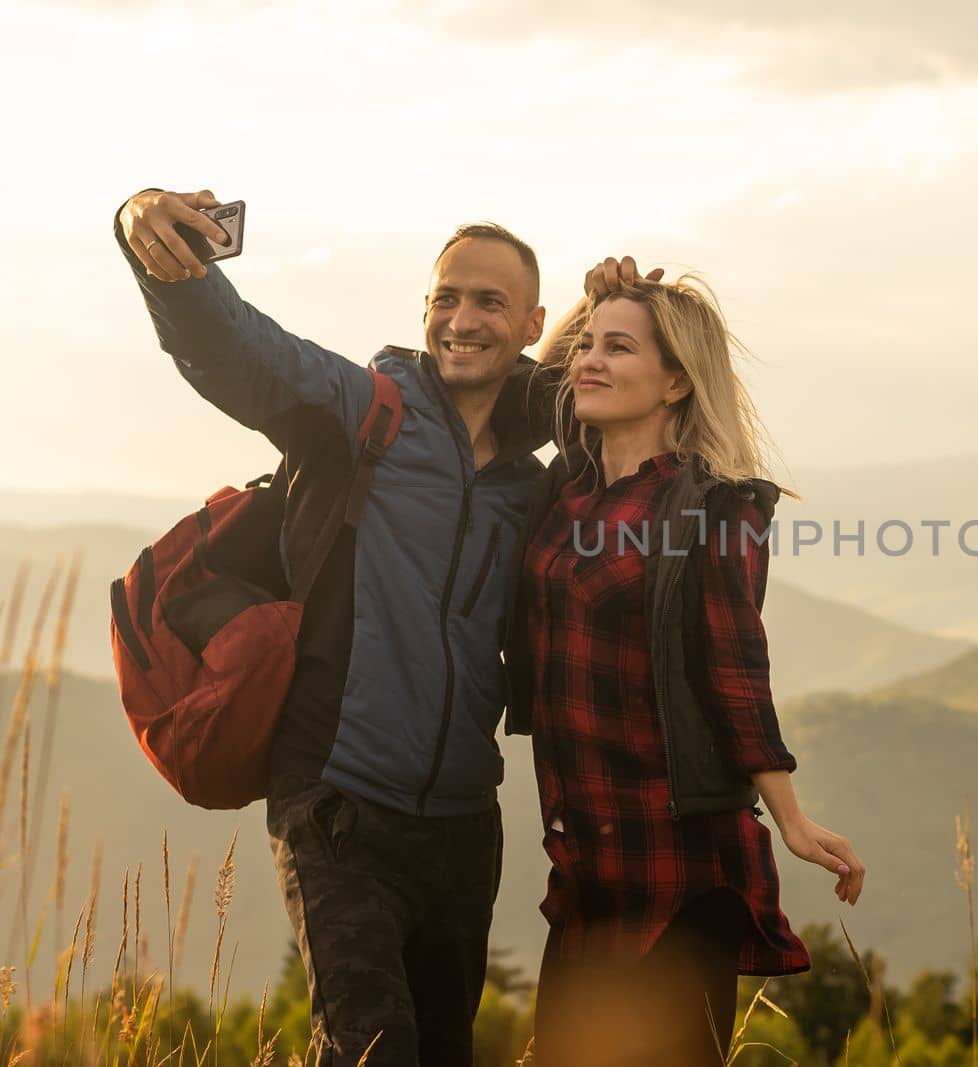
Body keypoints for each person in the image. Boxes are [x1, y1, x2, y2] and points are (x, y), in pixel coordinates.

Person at [114, 189, 637, 1066]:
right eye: (445, 297)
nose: (461, 319)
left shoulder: (530, 475)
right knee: (370, 1046)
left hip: (465, 825)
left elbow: (618, 411)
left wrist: (612, 311)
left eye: (488, 303)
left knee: (440, 1051)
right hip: (336, 801)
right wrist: (149, 238)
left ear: (532, 322)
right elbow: (240, 352)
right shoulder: (363, 412)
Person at [509, 272, 867, 1065]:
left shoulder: (712, 506)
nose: (590, 361)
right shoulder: (567, 487)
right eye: (588, 346)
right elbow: (532, 386)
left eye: (620, 347)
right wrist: (591, 295)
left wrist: (792, 817)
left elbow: (735, 667)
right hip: (584, 862)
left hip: (677, 861)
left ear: (676, 380)